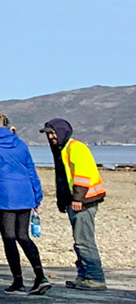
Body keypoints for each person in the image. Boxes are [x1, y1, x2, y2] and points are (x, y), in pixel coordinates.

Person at [0, 112, 50, 295]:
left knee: (9, 238)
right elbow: (31, 170)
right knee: (23, 236)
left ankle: (18, 280)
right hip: (24, 194)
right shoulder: (20, 143)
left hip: (3, 196)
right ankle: (40, 276)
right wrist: (37, 196)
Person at [43, 118, 108, 290]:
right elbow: (64, 179)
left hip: (85, 201)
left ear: (62, 132)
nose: (50, 137)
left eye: (52, 133)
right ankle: (84, 275)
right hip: (76, 202)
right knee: (79, 240)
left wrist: (78, 199)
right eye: (49, 134)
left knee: (84, 241)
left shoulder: (75, 148)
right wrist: (63, 201)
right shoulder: (63, 150)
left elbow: (82, 175)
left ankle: (95, 277)